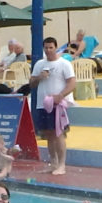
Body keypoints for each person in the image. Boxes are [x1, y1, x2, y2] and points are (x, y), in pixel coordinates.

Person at [29, 37, 75, 175]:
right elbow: (31, 83)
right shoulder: (39, 64)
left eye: (51, 47)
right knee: (49, 134)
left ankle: (62, 164)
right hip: (43, 103)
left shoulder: (64, 64)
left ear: (56, 48)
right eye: (46, 48)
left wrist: (60, 96)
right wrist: (39, 77)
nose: (48, 50)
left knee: (59, 133)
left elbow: (72, 83)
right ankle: (53, 163)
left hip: (57, 104)